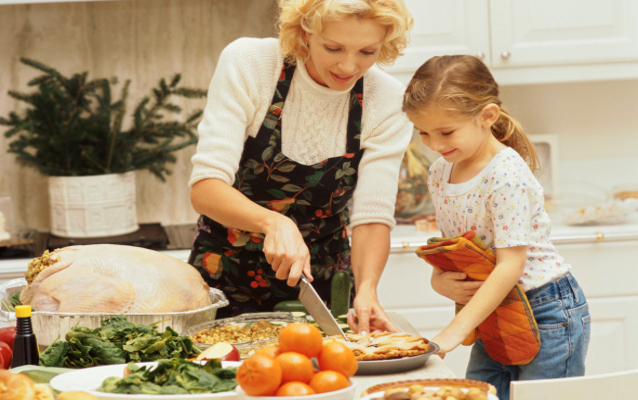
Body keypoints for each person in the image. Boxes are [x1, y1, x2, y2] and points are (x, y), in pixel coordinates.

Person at [188, 0, 414, 333]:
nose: (348, 66)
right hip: (223, 280)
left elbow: (372, 216)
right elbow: (205, 189)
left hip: (323, 291)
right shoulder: (251, 64)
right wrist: (274, 223)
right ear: (305, 32)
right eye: (333, 48)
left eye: (367, 52)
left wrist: (367, 290)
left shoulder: (387, 100)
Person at [402, 55, 590, 400]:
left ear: (486, 116)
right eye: (423, 133)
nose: (434, 145)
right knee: (479, 395)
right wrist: (439, 280)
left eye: (446, 132)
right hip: (494, 312)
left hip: (546, 310)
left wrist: (455, 331)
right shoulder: (439, 173)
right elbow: (456, 251)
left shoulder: (505, 174)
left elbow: (510, 265)